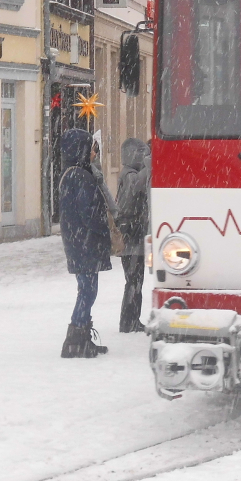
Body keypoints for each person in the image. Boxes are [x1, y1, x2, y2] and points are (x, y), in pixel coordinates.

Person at [58, 129, 112, 358]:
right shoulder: (80, 176)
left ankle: (80, 337)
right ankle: (76, 339)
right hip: (85, 243)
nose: (93, 153)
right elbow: (89, 212)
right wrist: (104, 229)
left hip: (78, 241)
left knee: (87, 289)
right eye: (91, 148)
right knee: (88, 291)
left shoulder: (71, 174)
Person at [115, 138, 151, 333]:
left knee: (135, 281)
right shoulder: (129, 176)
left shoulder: (129, 174)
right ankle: (129, 320)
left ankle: (131, 319)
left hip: (134, 236)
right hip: (132, 237)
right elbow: (136, 187)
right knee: (134, 282)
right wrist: (151, 164)